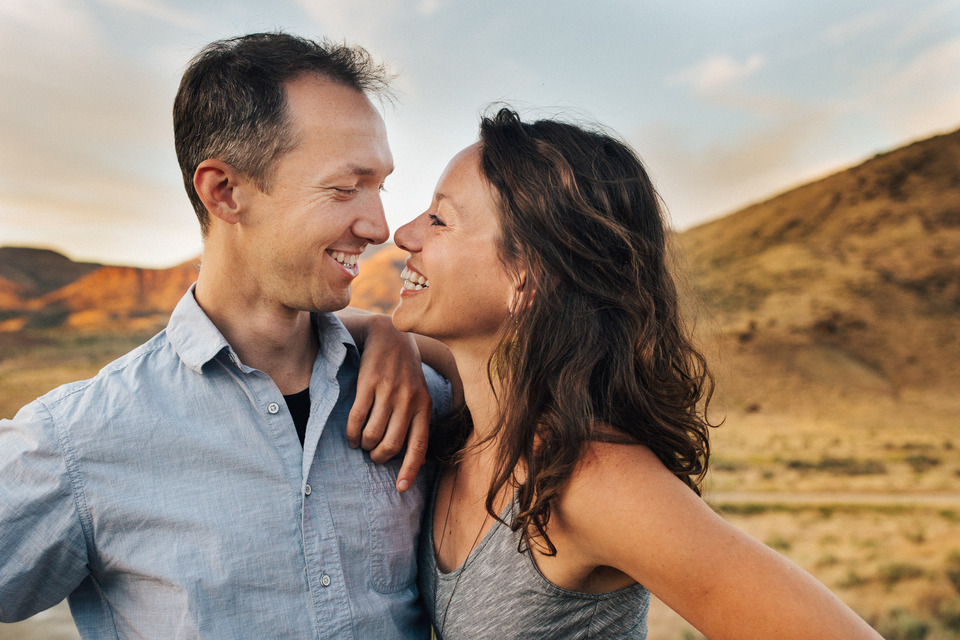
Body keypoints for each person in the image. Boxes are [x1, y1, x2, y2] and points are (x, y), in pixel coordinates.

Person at [0, 33, 458, 638]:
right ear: (225, 192)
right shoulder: (79, 441)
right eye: (345, 188)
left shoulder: (418, 396)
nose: (379, 227)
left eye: (380, 187)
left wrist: (397, 335)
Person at [392, 108, 884, 639]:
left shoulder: (594, 481)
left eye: (440, 220)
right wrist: (380, 334)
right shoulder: (469, 417)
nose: (403, 233)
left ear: (527, 277)